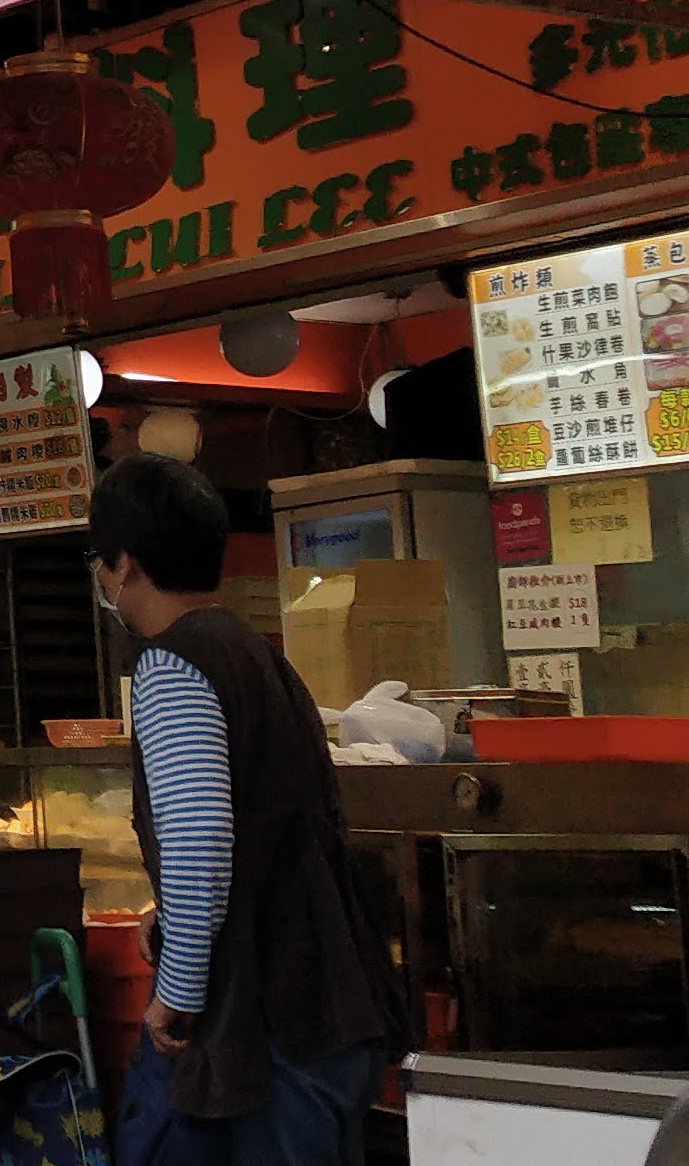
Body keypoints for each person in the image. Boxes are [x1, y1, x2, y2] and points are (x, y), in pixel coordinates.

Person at [91, 454, 402, 1166]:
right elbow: (274, 822)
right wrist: (171, 914)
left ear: (124, 564)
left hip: (268, 1028)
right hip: (329, 1008)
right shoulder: (256, 654)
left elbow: (202, 840)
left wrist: (176, 991)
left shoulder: (171, 666)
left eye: (98, 560)